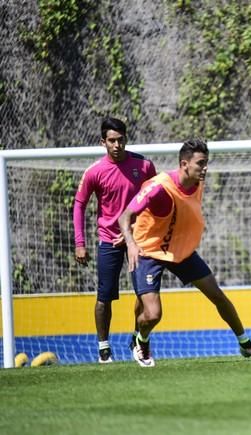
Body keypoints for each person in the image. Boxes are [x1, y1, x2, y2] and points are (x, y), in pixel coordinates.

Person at [118, 139, 251, 367]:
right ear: (184, 164)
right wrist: (131, 243)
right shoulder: (158, 187)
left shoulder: (197, 182)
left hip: (180, 251)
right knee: (152, 315)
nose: (205, 168)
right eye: (200, 163)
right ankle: (141, 341)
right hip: (148, 251)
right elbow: (125, 216)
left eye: (206, 163)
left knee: (217, 296)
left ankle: (245, 343)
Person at [74, 117, 157, 363]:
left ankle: (137, 340)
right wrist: (80, 243)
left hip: (138, 240)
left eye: (121, 140)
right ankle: (104, 348)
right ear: (103, 142)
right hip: (109, 240)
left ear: (126, 139)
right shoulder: (95, 171)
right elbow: (79, 204)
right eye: (112, 141)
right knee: (105, 296)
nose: (117, 145)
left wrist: (141, 230)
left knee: (145, 293)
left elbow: (154, 198)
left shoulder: (144, 166)